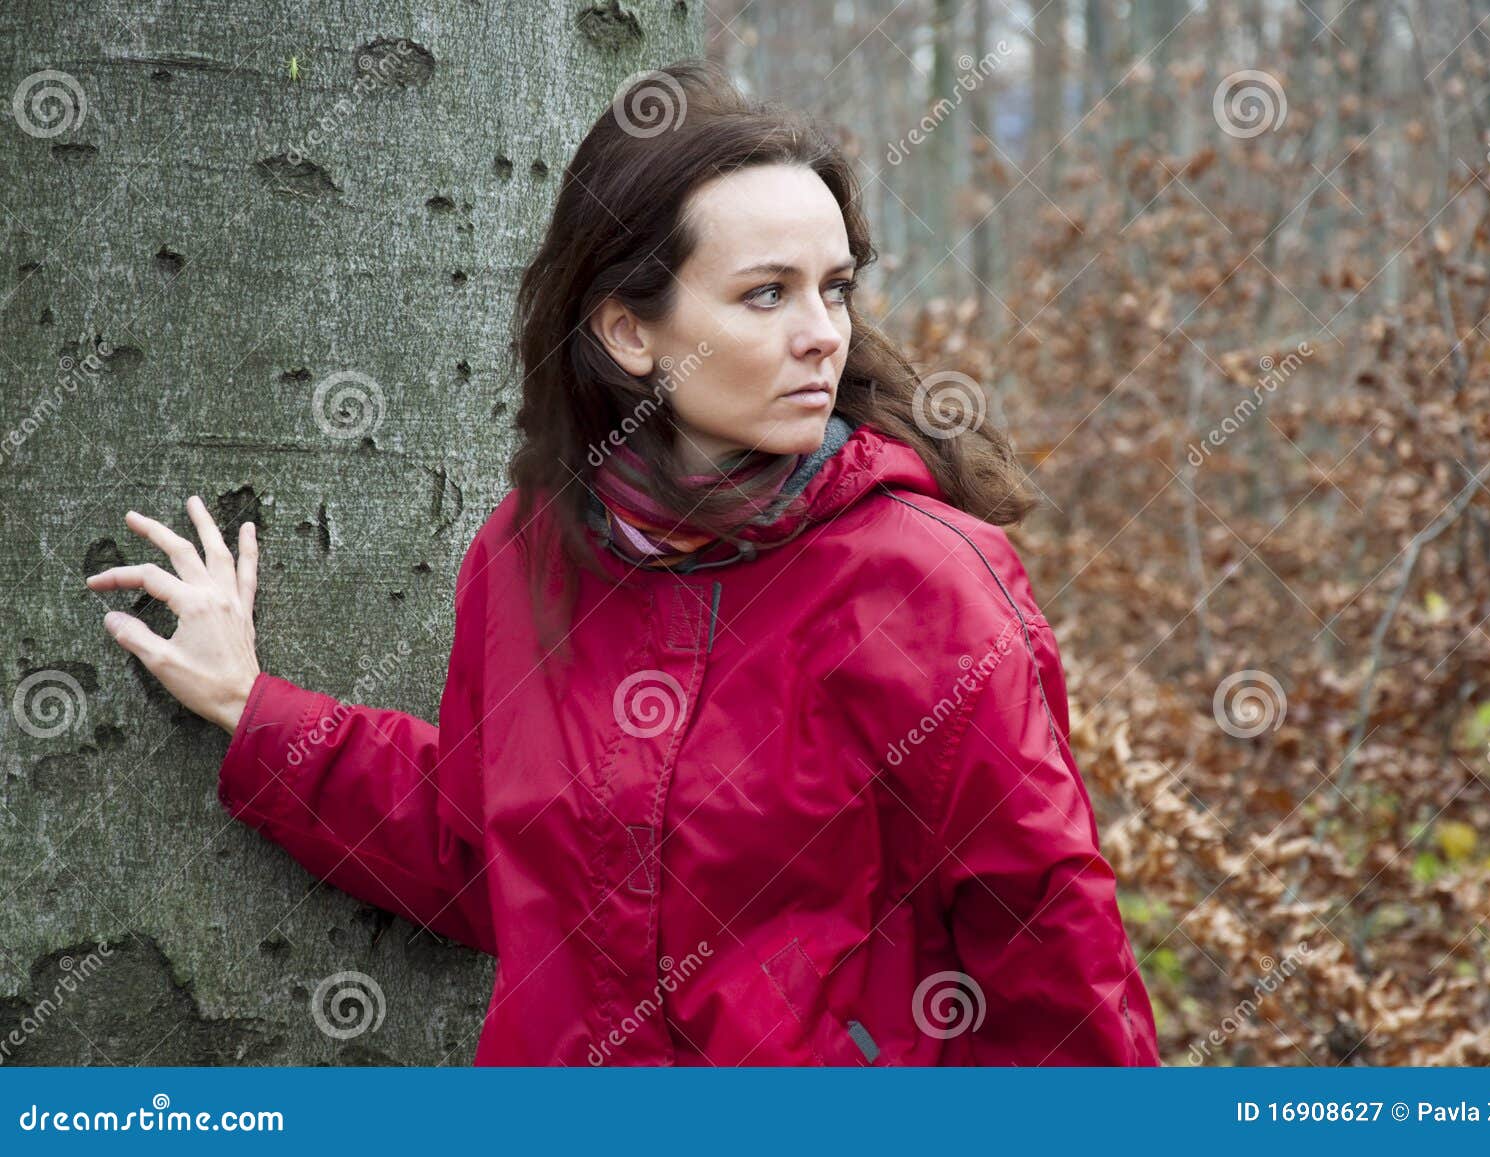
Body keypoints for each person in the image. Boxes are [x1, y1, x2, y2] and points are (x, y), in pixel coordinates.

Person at [85, 59, 1159, 1067]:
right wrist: (251, 707)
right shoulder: (525, 553)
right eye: (766, 293)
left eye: (834, 287)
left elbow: (1047, 938)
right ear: (629, 331)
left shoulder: (923, 581)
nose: (823, 332)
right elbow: (481, 852)